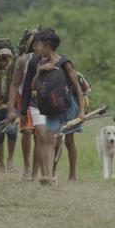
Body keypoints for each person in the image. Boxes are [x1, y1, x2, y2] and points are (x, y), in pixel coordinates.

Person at [29, 28, 85, 184]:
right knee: (49, 138)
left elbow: (77, 87)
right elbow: (33, 86)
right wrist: (39, 71)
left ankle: (72, 174)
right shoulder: (41, 62)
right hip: (51, 109)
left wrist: (81, 110)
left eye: (38, 45)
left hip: (68, 108)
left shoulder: (65, 63)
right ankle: (49, 175)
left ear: (47, 46)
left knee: (69, 141)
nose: (36, 49)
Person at [8, 29, 40, 181]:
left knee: (39, 136)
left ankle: (35, 171)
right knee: (27, 132)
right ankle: (27, 166)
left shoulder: (53, 60)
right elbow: (14, 85)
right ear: (32, 46)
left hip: (43, 101)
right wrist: (11, 108)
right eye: (36, 44)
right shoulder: (23, 61)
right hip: (24, 100)